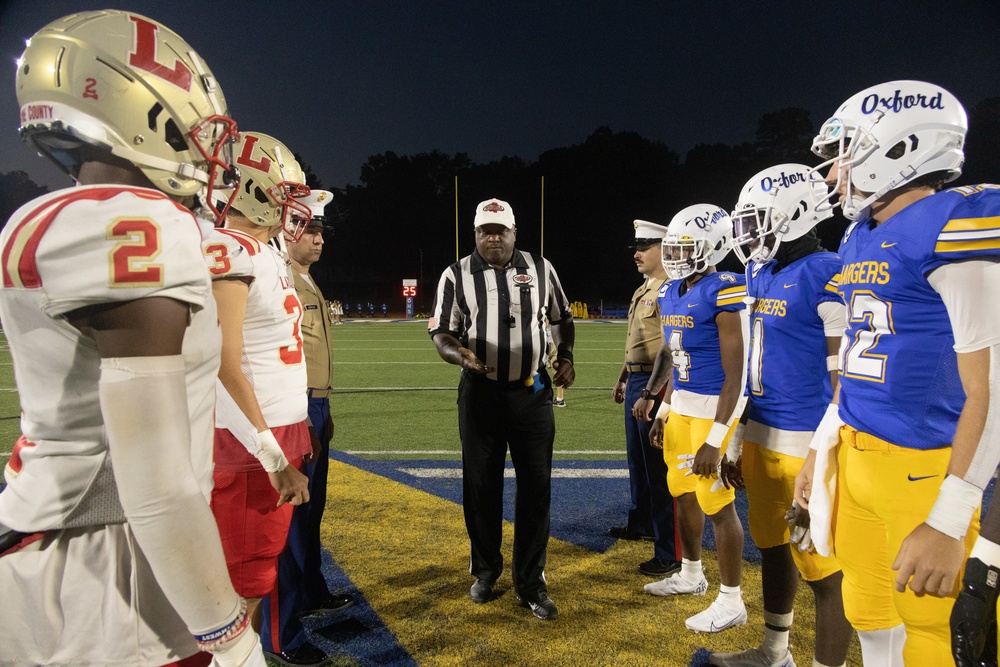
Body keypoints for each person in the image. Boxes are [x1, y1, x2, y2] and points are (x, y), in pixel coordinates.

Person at [0, 10, 268, 666]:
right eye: (202, 131)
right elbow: (157, 484)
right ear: (147, 111)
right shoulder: (136, 221)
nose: (212, 152)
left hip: (44, 546)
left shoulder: (34, 216)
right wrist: (230, 637)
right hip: (108, 566)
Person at [795, 80, 1000, 666]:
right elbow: (860, 359)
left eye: (843, 157)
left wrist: (950, 517)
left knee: (934, 629)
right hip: (858, 457)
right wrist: (820, 449)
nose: (833, 177)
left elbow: (993, 389)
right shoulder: (863, 232)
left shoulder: (953, 228)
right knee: (869, 610)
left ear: (899, 147)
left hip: (927, 467)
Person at [710, 165, 853, 667]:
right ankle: (774, 652)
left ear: (796, 215)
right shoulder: (761, 271)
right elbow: (753, 362)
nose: (751, 235)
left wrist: (825, 455)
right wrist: (735, 437)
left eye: (759, 221)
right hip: (761, 433)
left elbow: (846, 379)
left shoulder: (830, 270)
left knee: (824, 570)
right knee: (772, 546)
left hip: (807, 442)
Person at [203, 132, 323, 664]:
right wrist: (274, 457)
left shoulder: (263, 251)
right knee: (242, 581)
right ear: (256, 190)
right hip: (252, 446)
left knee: (259, 569)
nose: (293, 204)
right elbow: (222, 363)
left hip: (277, 430)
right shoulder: (228, 249)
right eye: (284, 191)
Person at [429, 197, 575, 621]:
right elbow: (441, 332)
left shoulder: (542, 268)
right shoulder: (456, 275)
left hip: (532, 394)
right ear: (475, 234)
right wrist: (460, 356)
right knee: (480, 486)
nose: (493, 237)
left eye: (500, 231)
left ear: (514, 233)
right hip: (481, 394)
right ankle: (486, 570)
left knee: (536, 488)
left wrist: (566, 355)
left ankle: (531, 581)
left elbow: (563, 317)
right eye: (484, 231)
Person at [636, 204, 748, 634]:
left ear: (713, 246)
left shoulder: (725, 288)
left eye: (685, 247)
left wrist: (718, 439)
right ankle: (691, 573)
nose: (676, 255)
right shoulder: (668, 291)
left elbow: (735, 376)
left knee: (717, 505)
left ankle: (731, 599)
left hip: (712, 413)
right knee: (681, 491)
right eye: (674, 247)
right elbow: (677, 359)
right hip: (682, 408)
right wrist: (664, 407)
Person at [257, 190, 356, 662]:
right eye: (310, 230)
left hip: (314, 407)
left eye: (321, 231)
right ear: (286, 231)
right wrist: (302, 415)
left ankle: (312, 592)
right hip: (294, 409)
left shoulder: (305, 279)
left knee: (310, 516)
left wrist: (324, 408)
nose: (319, 239)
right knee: (290, 525)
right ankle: (282, 634)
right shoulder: (280, 276)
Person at [610, 219, 679, 579]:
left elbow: (668, 348)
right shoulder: (645, 288)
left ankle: (669, 550)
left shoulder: (669, 289)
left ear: (663, 249)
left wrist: (652, 393)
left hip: (656, 384)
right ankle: (641, 523)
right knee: (638, 463)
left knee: (659, 468)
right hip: (637, 379)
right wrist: (623, 377)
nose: (636, 253)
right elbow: (636, 339)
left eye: (644, 247)